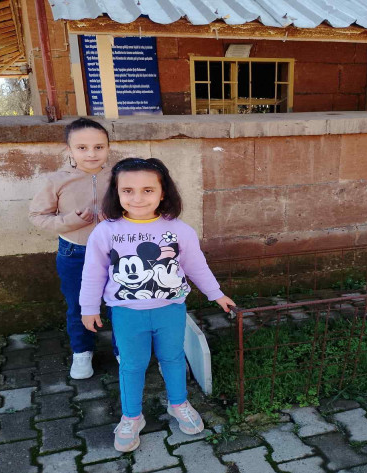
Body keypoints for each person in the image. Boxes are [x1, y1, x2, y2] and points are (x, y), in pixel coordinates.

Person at [79, 157, 235, 452]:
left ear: (163, 193)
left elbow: (196, 265)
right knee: (132, 365)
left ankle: (178, 403)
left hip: (170, 310)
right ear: (116, 192)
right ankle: (131, 417)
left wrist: (216, 293)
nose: (137, 198)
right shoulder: (105, 231)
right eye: (128, 190)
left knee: (173, 358)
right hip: (126, 314)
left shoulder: (179, 230)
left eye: (148, 190)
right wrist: (88, 308)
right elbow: (93, 272)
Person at [29, 117, 118, 380]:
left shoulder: (118, 177)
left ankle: (122, 349)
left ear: (108, 148)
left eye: (99, 147)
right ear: (69, 150)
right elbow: (38, 216)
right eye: (82, 148)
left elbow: (135, 208)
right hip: (75, 253)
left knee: (119, 304)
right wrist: (71, 221)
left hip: (116, 253)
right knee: (79, 306)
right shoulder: (57, 180)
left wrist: (115, 218)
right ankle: (82, 352)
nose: (91, 154)